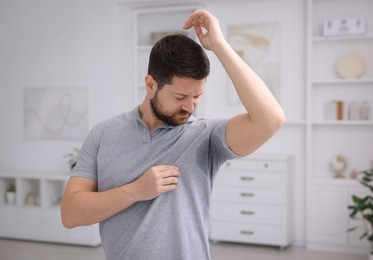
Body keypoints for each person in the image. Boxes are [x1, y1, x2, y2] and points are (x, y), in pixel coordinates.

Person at [61, 9, 285, 260]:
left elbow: (271, 120)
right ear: (150, 85)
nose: (190, 107)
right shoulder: (103, 134)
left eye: (197, 97)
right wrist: (135, 191)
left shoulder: (205, 136)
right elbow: (71, 214)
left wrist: (219, 46)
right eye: (180, 97)